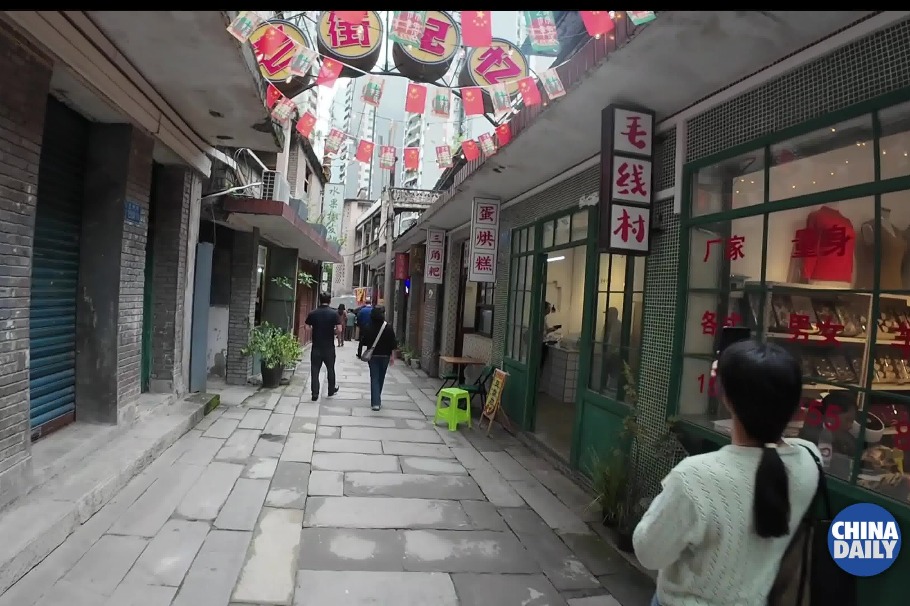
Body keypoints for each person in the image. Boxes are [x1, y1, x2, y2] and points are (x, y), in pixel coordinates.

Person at [633, 340, 821, 606]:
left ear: (728, 401)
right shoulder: (810, 460)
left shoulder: (694, 477)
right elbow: (786, 447)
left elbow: (649, 553)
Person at [359, 306, 397, 411]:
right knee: (381, 378)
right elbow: (393, 343)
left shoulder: (368, 327)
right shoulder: (388, 327)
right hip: (385, 356)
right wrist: (392, 356)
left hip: (373, 356)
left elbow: (365, 341)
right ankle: (377, 398)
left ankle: (376, 402)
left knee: (374, 378)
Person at [304, 292, 340, 402]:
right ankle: (330, 390)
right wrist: (333, 332)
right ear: (329, 300)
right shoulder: (334, 314)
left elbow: (306, 327)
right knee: (330, 368)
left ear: (319, 300)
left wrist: (315, 330)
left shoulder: (313, 313)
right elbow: (339, 330)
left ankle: (315, 393)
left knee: (315, 370)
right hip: (329, 346)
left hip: (316, 346)